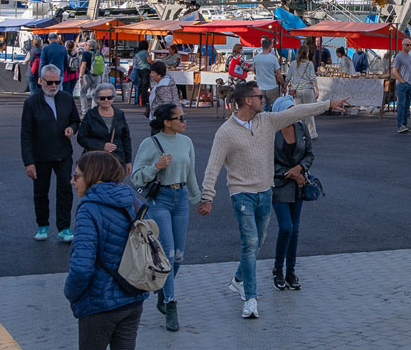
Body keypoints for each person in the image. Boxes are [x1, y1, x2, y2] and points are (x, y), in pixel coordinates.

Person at [198, 82, 348, 318]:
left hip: (265, 191)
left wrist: (328, 104)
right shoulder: (225, 133)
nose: (264, 99)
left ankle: (239, 279)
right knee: (250, 243)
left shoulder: (266, 121)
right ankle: (250, 299)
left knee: (257, 242)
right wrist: (207, 196)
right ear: (248, 100)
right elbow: (213, 166)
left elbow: (296, 112)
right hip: (241, 194)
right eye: (259, 96)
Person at [64, 151, 147, 350]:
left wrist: (71, 293)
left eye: (76, 176)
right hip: (133, 296)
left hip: (99, 303)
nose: (72, 182)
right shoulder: (133, 201)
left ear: (94, 176)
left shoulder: (89, 209)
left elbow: (82, 268)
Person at [132, 103, 201, 332]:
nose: (184, 121)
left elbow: (190, 174)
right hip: (159, 200)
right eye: (179, 118)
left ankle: (163, 289)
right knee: (168, 254)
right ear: (166, 122)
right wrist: (156, 167)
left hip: (180, 198)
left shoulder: (186, 142)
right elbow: (136, 178)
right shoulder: (149, 144)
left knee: (179, 256)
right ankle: (171, 304)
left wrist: (199, 199)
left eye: (184, 117)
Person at [21, 64, 81, 241]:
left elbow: (76, 121)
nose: (54, 86)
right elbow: (25, 135)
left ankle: (64, 227)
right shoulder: (31, 103)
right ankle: (42, 225)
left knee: (65, 189)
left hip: (63, 153)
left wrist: (71, 128)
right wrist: (28, 162)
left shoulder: (66, 98)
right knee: (41, 191)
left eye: (57, 82)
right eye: (50, 82)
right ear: (40, 81)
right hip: (40, 155)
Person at [269, 96, 314, 292]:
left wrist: (300, 168)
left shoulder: (301, 128)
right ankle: (278, 269)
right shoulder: (270, 132)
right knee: (286, 228)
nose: (293, 114)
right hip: (279, 184)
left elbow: (310, 153)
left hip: (298, 184)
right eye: (289, 110)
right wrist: (291, 174)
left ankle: (291, 272)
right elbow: (266, 161)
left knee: (295, 230)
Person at [77, 83, 132, 175]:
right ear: (97, 99)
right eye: (102, 98)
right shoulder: (90, 115)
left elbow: (126, 139)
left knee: (116, 188)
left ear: (113, 97)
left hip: (117, 160)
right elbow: (81, 138)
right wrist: (101, 146)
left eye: (109, 97)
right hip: (95, 161)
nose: (106, 100)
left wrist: (128, 161)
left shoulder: (119, 114)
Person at [287, 45, 319, 139]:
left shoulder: (293, 64)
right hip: (308, 89)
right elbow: (312, 78)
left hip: (296, 91)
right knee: (309, 112)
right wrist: (317, 90)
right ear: (307, 53)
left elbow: (288, 77)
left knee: (298, 113)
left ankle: (299, 133)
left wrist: (285, 87)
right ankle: (312, 133)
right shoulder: (309, 64)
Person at [391, 38, 411, 133]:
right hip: (403, 84)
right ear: (402, 45)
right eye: (407, 45)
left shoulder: (410, 57)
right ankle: (400, 125)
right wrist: (401, 80)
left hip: (410, 83)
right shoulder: (398, 57)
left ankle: (404, 124)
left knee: (406, 105)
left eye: (410, 45)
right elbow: (394, 70)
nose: (409, 46)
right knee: (401, 104)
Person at [252, 37, 284, 109]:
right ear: (270, 46)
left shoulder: (256, 58)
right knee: (274, 107)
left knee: (260, 108)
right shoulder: (273, 58)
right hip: (272, 87)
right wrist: (283, 84)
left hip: (260, 87)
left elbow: (254, 70)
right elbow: (279, 75)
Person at [77, 39, 101, 115]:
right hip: (97, 76)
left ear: (89, 46)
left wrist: (80, 76)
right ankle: (94, 111)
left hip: (87, 76)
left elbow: (83, 65)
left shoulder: (86, 54)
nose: (85, 46)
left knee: (83, 92)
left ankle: (85, 111)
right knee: (94, 94)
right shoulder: (99, 54)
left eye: (86, 45)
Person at [133, 41, 152, 112]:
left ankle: (138, 100)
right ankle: (145, 101)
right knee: (145, 85)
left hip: (139, 70)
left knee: (140, 85)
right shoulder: (145, 52)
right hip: (146, 69)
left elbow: (136, 62)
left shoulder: (137, 53)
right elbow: (149, 61)